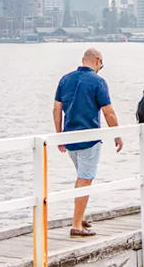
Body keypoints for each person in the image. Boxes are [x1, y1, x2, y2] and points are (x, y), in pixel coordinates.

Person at [53, 48, 123, 237]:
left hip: (69, 138)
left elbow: (56, 109)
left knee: (81, 177)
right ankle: (76, 225)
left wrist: (59, 135)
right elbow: (109, 112)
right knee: (85, 179)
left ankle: (80, 215)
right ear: (98, 61)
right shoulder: (98, 82)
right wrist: (117, 134)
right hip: (89, 139)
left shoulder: (65, 79)